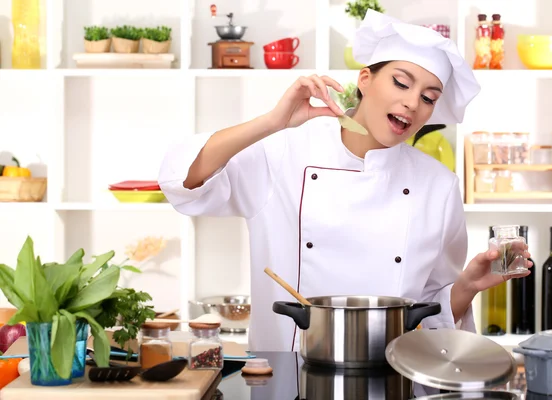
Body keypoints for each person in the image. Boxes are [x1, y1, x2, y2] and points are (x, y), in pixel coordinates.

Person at [158, 10, 532, 357]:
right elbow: (183, 181)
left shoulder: (439, 186)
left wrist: (467, 286)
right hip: (290, 374)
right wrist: (272, 122)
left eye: (428, 97)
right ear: (364, 80)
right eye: (401, 82)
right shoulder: (285, 151)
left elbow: (430, 320)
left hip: (392, 379)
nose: (412, 103)